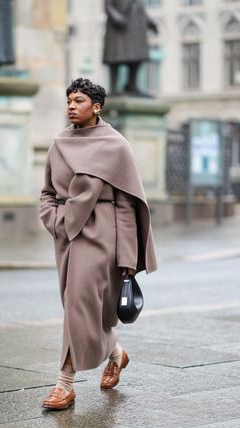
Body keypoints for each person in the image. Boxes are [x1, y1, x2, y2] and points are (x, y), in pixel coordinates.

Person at [40, 78, 157, 410]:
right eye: (68, 101)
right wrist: (54, 221)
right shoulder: (58, 143)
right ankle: (117, 353)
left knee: (78, 306)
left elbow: (125, 205)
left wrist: (127, 257)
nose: (71, 106)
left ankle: (64, 384)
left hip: (102, 236)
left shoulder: (115, 145)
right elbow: (47, 194)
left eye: (79, 100)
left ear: (97, 106)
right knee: (78, 309)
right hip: (66, 237)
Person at [103, 0, 158, 95]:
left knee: (137, 58)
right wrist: (117, 17)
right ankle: (114, 88)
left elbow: (141, 10)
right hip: (119, 28)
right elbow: (108, 7)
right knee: (115, 58)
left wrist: (150, 22)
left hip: (135, 30)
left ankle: (132, 85)